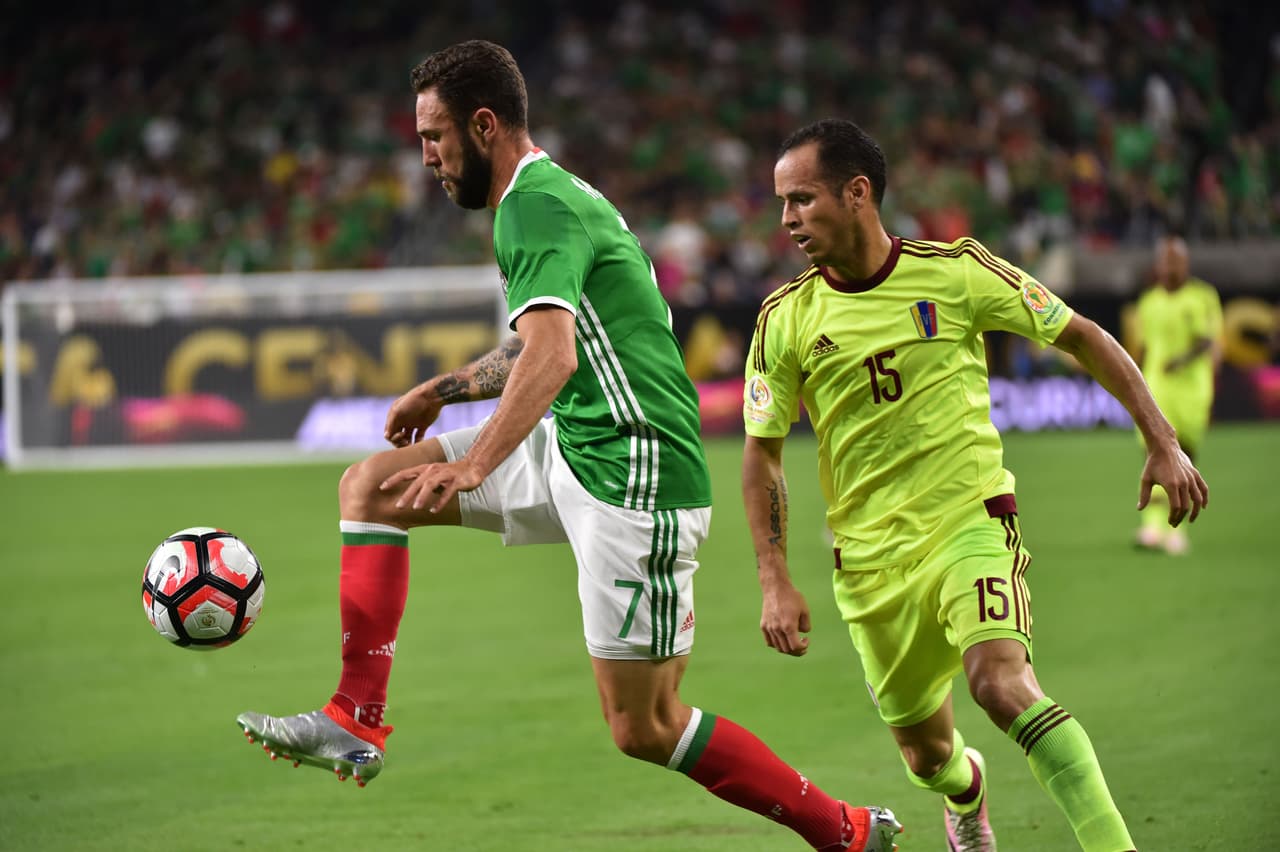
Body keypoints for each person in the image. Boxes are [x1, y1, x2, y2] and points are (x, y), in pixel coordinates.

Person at [236, 43, 902, 852]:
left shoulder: (534, 208)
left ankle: (846, 832)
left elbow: (553, 357)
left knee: (646, 726)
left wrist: (475, 464)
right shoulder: (545, 195)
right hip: (575, 442)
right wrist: (445, 389)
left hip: (635, 471)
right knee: (371, 487)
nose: (428, 158)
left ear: (484, 126)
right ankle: (355, 717)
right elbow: (550, 340)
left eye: (435, 137)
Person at [741, 119, 1209, 852]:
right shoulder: (785, 319)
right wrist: (774, 577)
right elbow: (762, 455)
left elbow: (1079, 333)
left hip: (970, 522)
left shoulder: (957, 272)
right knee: (927, 758)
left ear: (857, 193)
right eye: (783, 203)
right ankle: (967, 791)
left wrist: (1162, 439)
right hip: (869, 565)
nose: (787, 219)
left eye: (802, 199)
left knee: (1001, 684)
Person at [1132, 235, 1222, 555]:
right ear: (1158, 265)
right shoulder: (1148, 301)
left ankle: (1177, 530)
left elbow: (1208, 340)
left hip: (1191, 389)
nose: (1171, 267)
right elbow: (1143, 348)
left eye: (1176, 261)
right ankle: (1151, 527)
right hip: (1156, 387)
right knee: (1152, 451)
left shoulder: (1203, 297)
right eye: (1166, 261)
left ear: (1186, 264)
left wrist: (1181, 361)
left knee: (1184, 456)